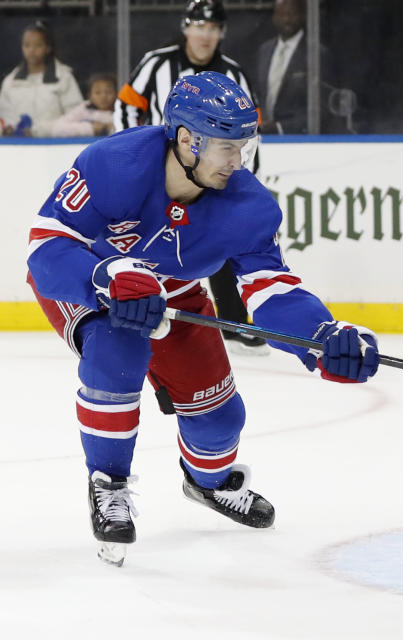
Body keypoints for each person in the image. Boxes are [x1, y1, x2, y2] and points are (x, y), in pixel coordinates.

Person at [26, 72, 380, 567]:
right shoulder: (115, 163)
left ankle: (208, 483)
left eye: (244, 147)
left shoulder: (248, 205)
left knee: (220, 417)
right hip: (89, 282)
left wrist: (322, 337)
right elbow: (45, 248)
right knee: (117, 353)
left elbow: (272, 290)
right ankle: (109, 483)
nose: (237, 162)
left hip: (173, 293)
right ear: (188, 140)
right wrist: (105, 274)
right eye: (227, 148)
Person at [114, 0, 266, 355]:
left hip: (213, 176)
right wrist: (135, 159)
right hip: (159, 178)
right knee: (146, 239)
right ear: (185, 28)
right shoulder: (156, 63)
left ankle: (234, 320)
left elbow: (250, 132)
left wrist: (243, 178)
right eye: (198, 26)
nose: (205, 35)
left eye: (212, 28)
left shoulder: (234, 75)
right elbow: (126, 105)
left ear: (220, 33)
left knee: (220, 242)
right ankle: (141, 307)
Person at [256, 0, 358, 134]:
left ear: (303, 16)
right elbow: (258, 94)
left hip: (300, 141)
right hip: (265, 139)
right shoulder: (265, 50)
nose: (287, 19)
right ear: (274, 17)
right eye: (282, 14)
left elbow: (323, 109)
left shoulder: (316, 54)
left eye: (292, 14)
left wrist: (280, 127)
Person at [0, 21, 83, 137]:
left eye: (38, 45)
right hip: (17, 145)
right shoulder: (10, 82)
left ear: (48, 48)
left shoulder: (64, 77)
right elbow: (5, 116)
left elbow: (76, 115)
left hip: (57, 143)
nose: (31, 50)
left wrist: (43, 130)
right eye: (27, 45)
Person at [51, 73, 117, 138]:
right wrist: (90, 128)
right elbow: (57, 129)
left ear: (117, 94)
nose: (103, 96)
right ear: (90, 95)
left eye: (109, 92)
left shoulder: (120, 111)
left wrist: (114, 128)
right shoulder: (83, 109)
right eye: (97, 92)